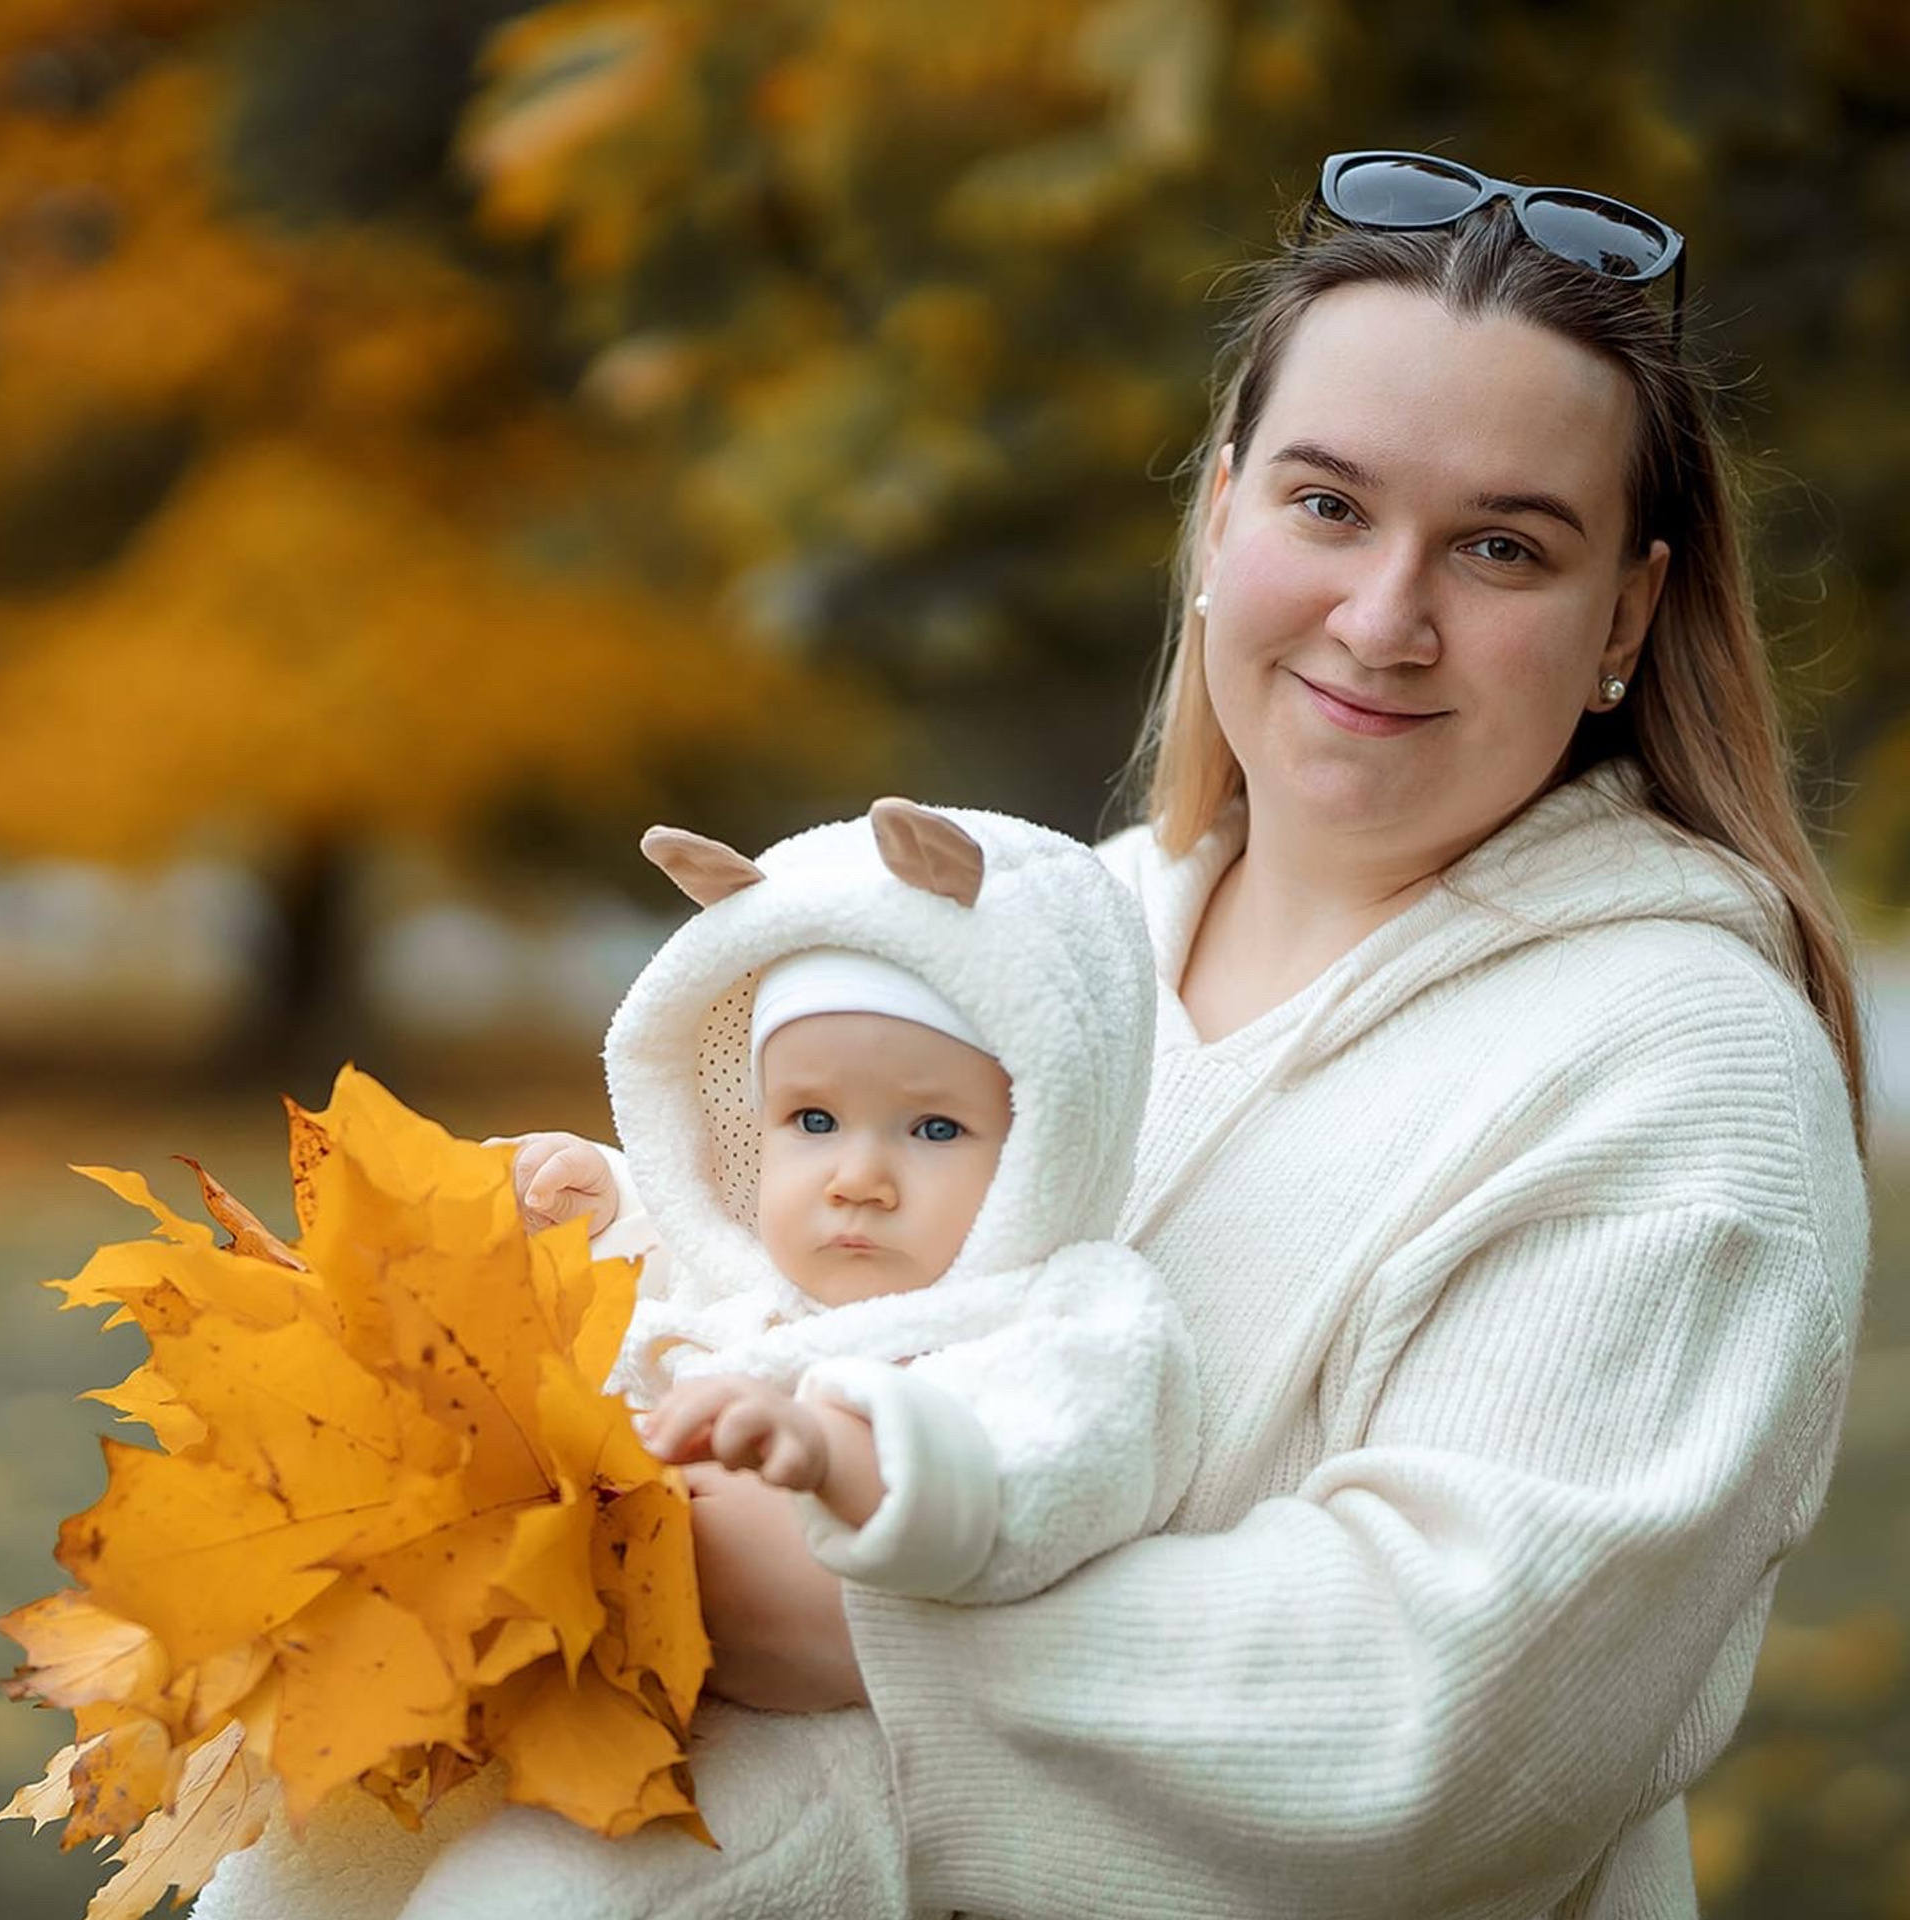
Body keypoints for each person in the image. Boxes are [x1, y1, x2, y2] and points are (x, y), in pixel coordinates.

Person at [441, 151, 1860, 1918]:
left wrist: (850, 1630)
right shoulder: (1035, 948)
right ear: (1217, 521)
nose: (1385, 615)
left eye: (1503, 547)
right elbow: (766, 1274)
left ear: (1625, 621)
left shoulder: (1681, 1066)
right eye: (1328, 507)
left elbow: (1449, 1716)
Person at [192, 797, 1196, 1920]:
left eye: (932, 1129)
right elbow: (668, 1278)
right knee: (312, 1855)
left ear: (1052, 1137)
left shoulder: (1063, 1314)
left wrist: (844, 1455)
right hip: (593, 1669)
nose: (856, 1176)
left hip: (819, 1753)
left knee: (534, 1899)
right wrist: (600, 1204)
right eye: (812, 1121)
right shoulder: (760, 1279)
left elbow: (1068, 1464)